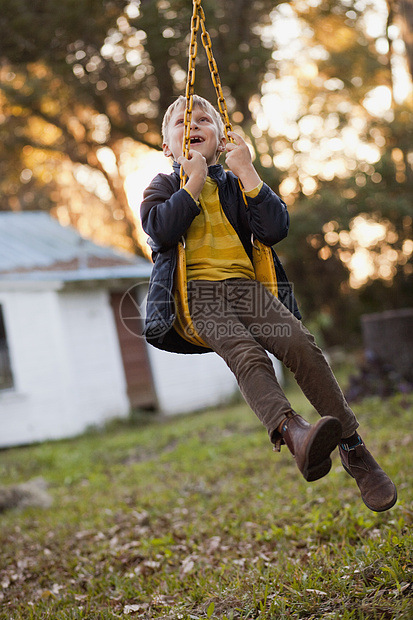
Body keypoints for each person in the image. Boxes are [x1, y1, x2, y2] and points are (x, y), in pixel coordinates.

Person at [140, 95, 397, 512]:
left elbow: (275, 228)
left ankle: (354, 448)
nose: (193, 125)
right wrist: (191, 181)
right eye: (181, 123)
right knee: (247, 356)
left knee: (300, 344)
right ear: (167, 147)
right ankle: (294, 433)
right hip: (198, 296)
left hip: (247, 288)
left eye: (204, 119)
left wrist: (246, 170)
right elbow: (161, 231)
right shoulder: (164, 186)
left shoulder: (235, 183)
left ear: (221, 139)